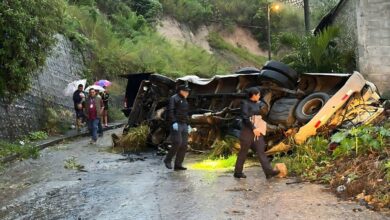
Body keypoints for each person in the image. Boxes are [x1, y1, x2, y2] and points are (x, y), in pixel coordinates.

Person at [234, 87, 280, 179]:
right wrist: (253, 128)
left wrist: (258, 127)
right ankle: (238, 172)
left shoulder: (259, 103)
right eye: (258, 95)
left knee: (261, 150)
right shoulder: (245, 103)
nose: (259, 96)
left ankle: (269, 172)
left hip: (257, 130)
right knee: (243, 151)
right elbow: (245, 118)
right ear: (254, 95)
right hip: (247, 130)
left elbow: (261, 114)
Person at [163, 84, 191, 171]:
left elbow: (186, 113)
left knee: (184, 145)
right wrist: (174, 122)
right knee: (177, 142)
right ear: (181, 91)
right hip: (176, 123)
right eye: (186, 91)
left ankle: (178, 164)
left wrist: (188, 124)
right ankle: (167, 160)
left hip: (184, 124)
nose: (188, 93)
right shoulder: (174, 98)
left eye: (188, 91)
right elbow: (170, 111)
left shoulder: (185, 100)